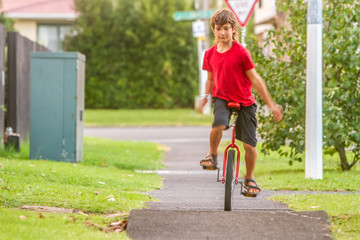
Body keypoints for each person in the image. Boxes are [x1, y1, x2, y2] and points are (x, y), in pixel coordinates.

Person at [199, 9, 283, 197]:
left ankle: (250, 178)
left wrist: (270, 104)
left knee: (249, 145)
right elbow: (210, 79)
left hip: (245, 101)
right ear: (214, 29)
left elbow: (256, 80)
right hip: (221, 98)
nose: (222, 32)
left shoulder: (241, 53)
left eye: (226, 28)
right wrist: (205, 96)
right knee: (218, 125)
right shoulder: (209, 54)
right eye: (219, 28)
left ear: (233, 29)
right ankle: (212, 155)